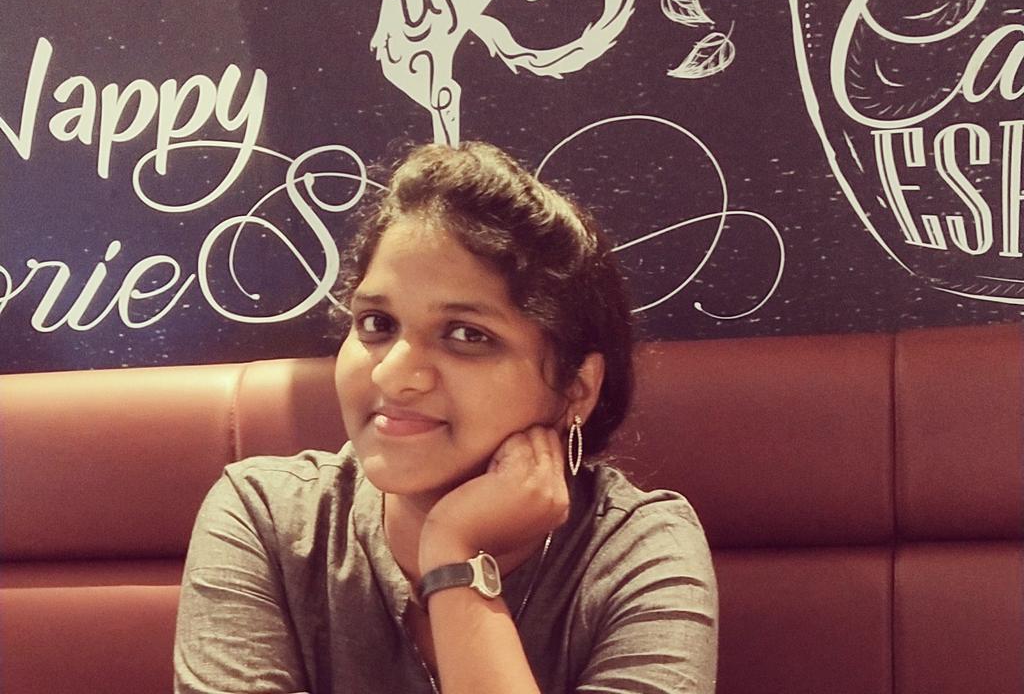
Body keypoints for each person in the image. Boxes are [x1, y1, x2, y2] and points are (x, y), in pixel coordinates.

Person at [174, 142, 717, 694]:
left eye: (466, 335)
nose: (393, 376)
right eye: (376, 323)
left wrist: (454, 557)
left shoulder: (636, 548)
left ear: (576, 388)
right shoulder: (266, 517)